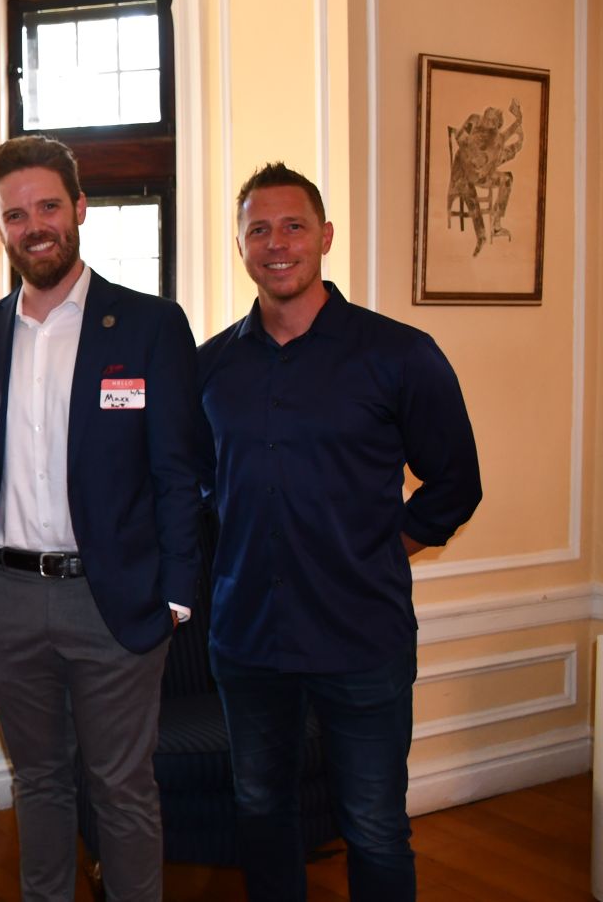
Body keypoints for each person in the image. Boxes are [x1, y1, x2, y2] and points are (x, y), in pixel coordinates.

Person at [198, 162, 482, 902]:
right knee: (261, 811)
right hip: (248, 640)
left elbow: (457, 481)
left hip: (362, 637)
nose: (277, 242)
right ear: (240, 245)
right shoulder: (210, 367)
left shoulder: (399, 353)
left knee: (375, 824)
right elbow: (195, 487)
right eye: (258, 229)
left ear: (325, 236)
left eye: (293, 225)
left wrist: (389, 546)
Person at [0, 134, 207, 901]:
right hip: (3, 595)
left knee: (121, 788)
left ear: (81, 209)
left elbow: (179, 471)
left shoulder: (149, 325)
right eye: (15, 213)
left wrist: (176, 593)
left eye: (49, 207)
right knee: (38, 780)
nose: (35, 225)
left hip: (114, 597)